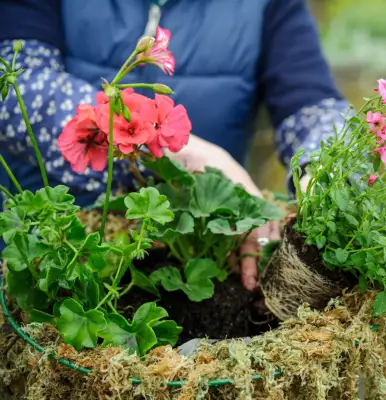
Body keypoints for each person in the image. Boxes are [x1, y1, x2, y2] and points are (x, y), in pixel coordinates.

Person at [0, 0, 349, 291]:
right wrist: (180, 150)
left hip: (207, 247)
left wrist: (326, 175)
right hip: (50, 243)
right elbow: (19, 88)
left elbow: (313, 105)